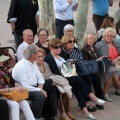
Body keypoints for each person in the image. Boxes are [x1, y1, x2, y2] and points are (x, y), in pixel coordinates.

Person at [45, 38, 106, 120]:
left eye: (60, 47)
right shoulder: (48, 58)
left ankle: (85, 111)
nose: (59, 48)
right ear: (51, 48)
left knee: (78, 85)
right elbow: (54, 73)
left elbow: (67, 69)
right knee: (77, 79)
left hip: (67, 77)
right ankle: (93, 98)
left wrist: (70, 65)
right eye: (56, 47)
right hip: (59, 80)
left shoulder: (61, 56)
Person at [60, 34, 105, 110]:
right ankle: (87, 103)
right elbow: (66, 68)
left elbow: (83, 61)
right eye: (70, 41)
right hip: (73, 72)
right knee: (88, 78)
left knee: (96, 77)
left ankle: (99, 99)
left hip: (83, 69)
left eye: (74, 41)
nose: (72, 43)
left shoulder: (77, 50)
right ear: (65, 42)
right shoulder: (63, 53)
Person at [36, 48, 75, 120]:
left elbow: (50, 74)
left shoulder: (45, 64)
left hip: (52, 82)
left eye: (42, 56)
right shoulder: (34, 67)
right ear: (34, 57)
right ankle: (62, 114)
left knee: (67, 88)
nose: (41, 58)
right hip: (44, 85)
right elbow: (40, 79)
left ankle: (67, 112)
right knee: (57, 90)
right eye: (38, 57)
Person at [12, 45, 46, 120]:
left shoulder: (33, 62)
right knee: (40, 96)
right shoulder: (21, 66)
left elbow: (39, 76)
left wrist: (40, 85)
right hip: (22, 89)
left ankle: (49, 115)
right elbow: (25, 86)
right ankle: (36, 117)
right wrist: (39, 90)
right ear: (32, 55)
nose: (39, 54)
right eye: (37, 53)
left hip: (34, 86)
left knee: (51, 87)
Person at [81, 32, 116, 102]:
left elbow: (97, 57)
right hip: (89, 71)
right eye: (89, 38)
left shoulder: (94, 47)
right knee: (93, 79)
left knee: (112, 71)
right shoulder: (84, 49)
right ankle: (93, 100)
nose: (91, 40)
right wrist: (97, 60)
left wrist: (102, 58)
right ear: (86, 39)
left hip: (95, 69)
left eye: (93, 38)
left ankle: (101, 98)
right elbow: (85, 62)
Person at [0, 53, 35, 120]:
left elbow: (12, 80)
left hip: (10, 94)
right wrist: (14, 89)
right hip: (3, 95)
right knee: (14, 105)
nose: (2, 62)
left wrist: (18, 85)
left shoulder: (4, 68)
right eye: (0, 61)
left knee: (24, 103)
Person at [95, 27, 120, 96]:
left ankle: (117, 89)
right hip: (105, 66)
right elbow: (96, 57)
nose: (109, 37)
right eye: (107, 35)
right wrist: (111, 62)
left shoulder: (117, 43)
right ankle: (116, 88)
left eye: (111, 36)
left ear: (114, 36)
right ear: (104, 35)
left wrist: (117, 59)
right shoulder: (99, 44)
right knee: (113, 72)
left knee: (115, 71)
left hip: (117, 64)